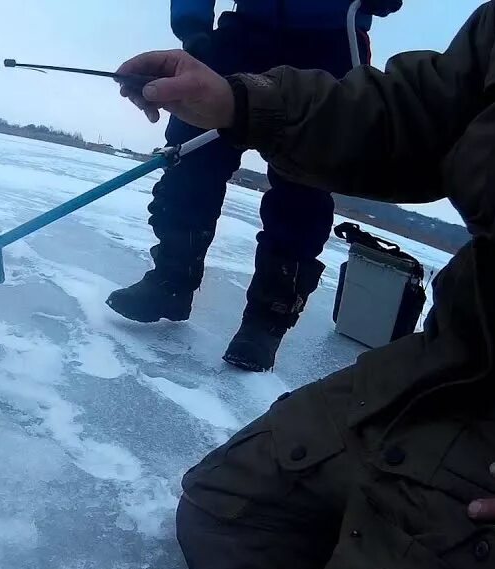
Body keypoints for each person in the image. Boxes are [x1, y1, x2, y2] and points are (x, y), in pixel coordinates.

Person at [114, 1, 495, 569]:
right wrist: (237, 100)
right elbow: (416, 115)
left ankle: (269, 320)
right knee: (225, 526)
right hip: (463, 360)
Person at [106, 0, 403, 372]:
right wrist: (194, 29)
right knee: (191, 155)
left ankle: (267, 319)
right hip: (244, 31)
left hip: (330, 41)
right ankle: (170, 279)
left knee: (304, 180)